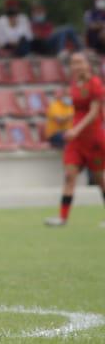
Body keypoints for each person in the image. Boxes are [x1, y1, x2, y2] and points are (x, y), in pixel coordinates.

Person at [44, 51, 104, 227]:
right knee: (70, 175)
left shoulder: (95, 84)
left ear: (88, 64)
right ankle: (62, 218)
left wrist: (76, 129)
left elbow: (94, 112)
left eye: (79, 62)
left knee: (100, 179)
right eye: (72, 63)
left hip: (93, 138)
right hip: (76, 139)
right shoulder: (74, 85)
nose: (75, 66)